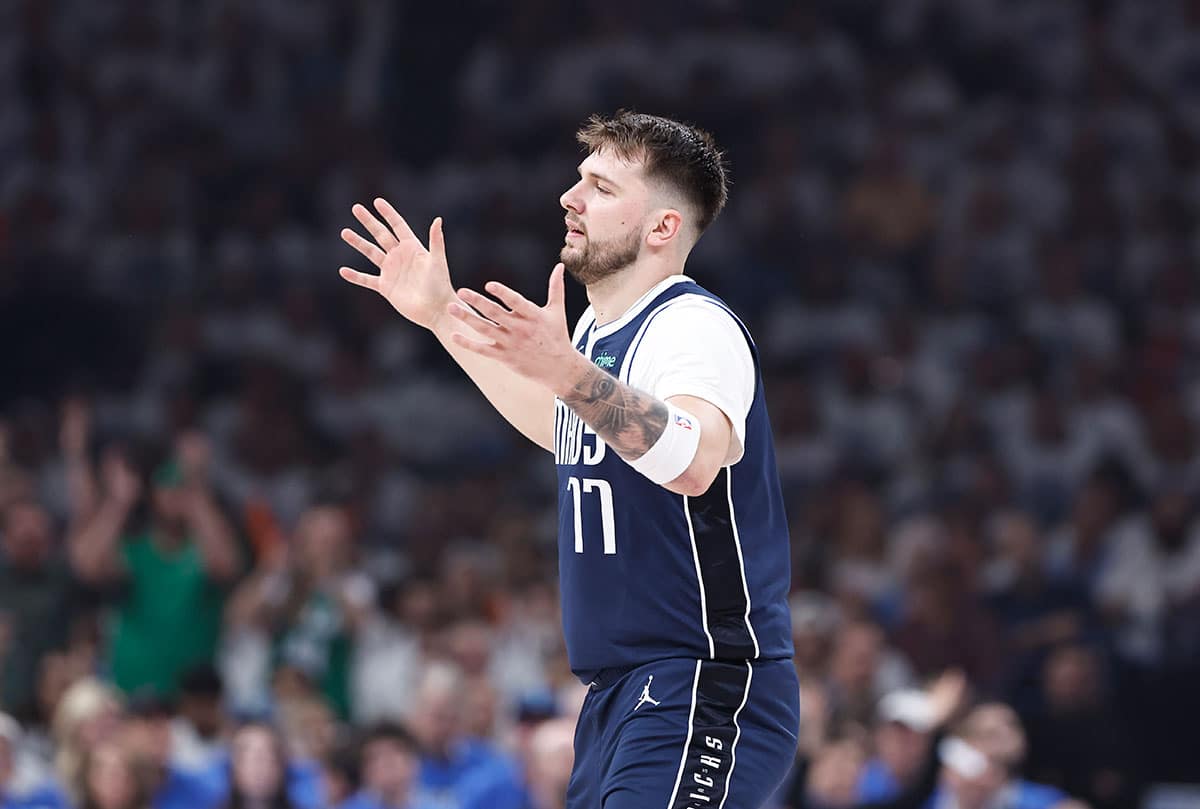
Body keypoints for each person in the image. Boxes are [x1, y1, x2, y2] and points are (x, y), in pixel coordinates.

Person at [340, 110, 798, 807]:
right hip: (622, 693)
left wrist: (571, 374)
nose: (570, 196)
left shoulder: (694, 326)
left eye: (602, 187)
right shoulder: (596, 332)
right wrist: (441, 315)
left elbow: (694, 460)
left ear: (662, 228)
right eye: (578, 178)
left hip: (704, 680)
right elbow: (563, 426)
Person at [68, 435, 240, 697]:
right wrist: (119, 502)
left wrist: (196, 488)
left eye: (179, 485)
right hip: (134, 691)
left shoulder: (203, 550)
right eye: (166, 486)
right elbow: (86, 565)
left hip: (193, 696)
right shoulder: (134, 550)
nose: (174, 494)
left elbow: (227, 565)